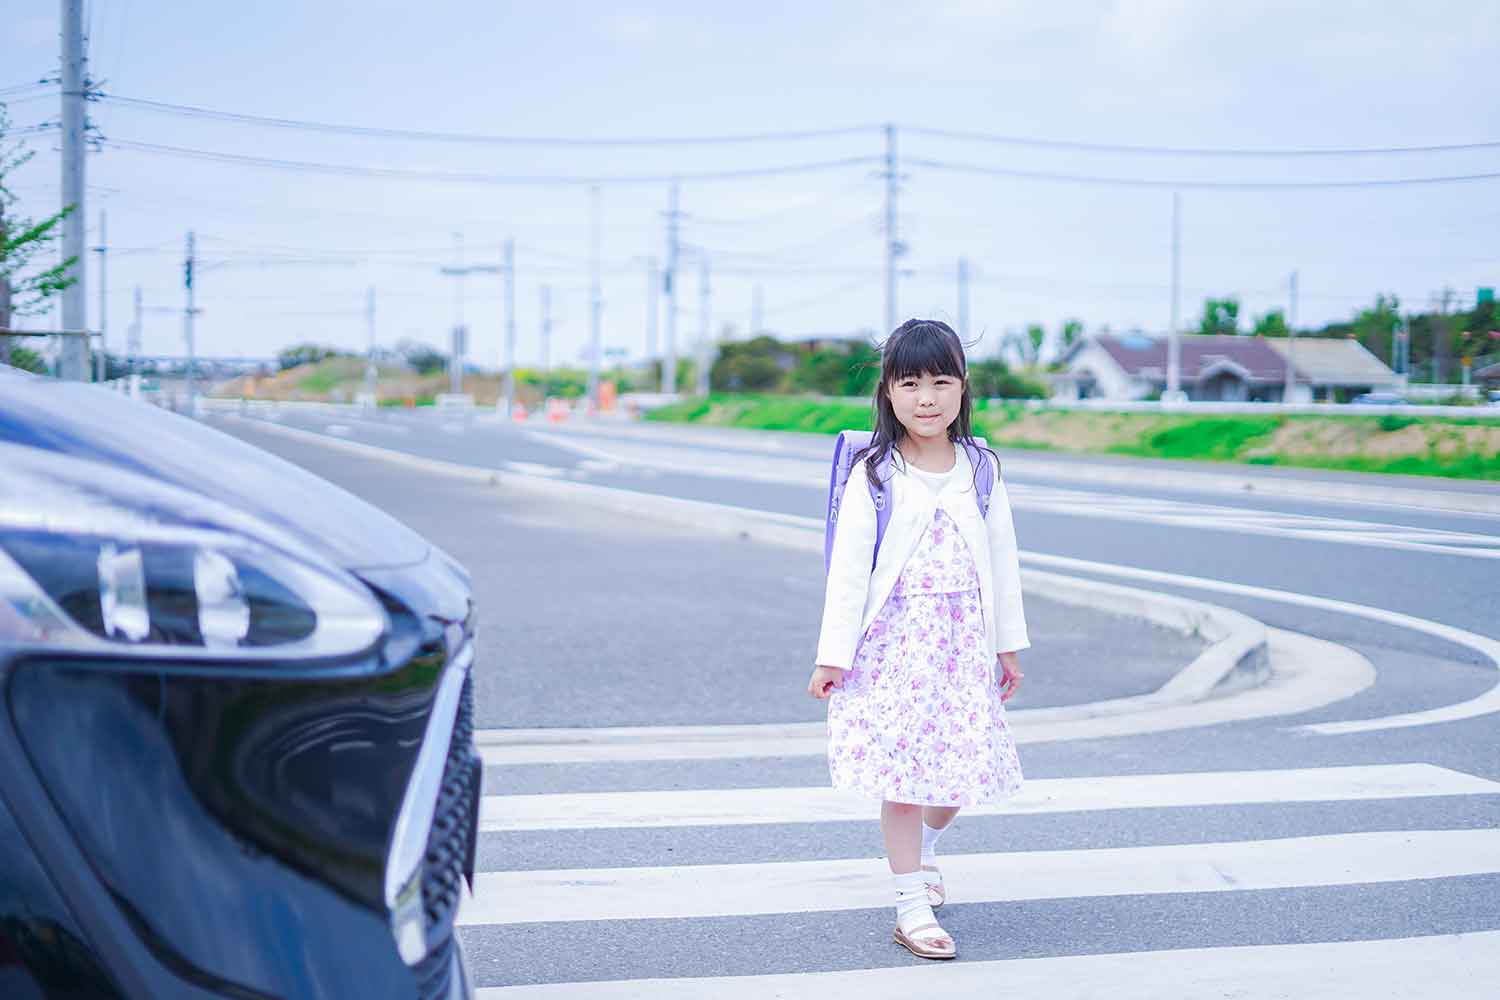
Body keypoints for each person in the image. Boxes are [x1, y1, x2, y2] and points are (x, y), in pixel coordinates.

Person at [807, 318, 1029, 961]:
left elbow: (1003, 557)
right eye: (911, 383)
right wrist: (833, 655)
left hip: (961, 643)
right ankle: (910, 904)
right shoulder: (874, 471)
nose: (926, 397)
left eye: (941, 381)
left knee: (957, 777)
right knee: (901, 778)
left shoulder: (981, 466)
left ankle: (928, 852)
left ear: (963, 389)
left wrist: (1005, 644)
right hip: (892, 644)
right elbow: (849, 570)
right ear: (888, 391)